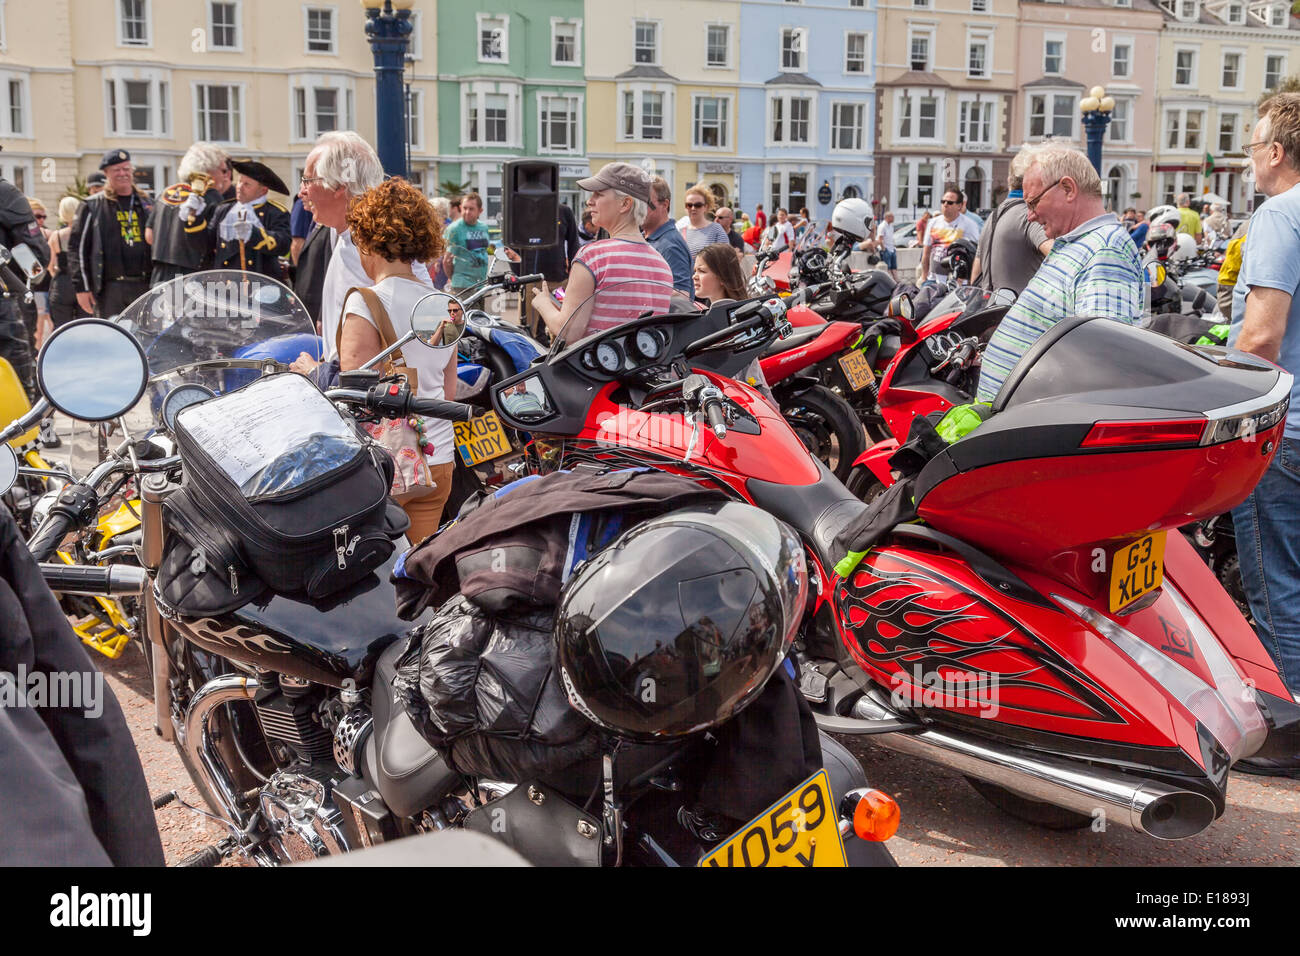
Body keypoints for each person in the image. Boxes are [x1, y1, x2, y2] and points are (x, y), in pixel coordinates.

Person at [1226, 93, 1300, 769]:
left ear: (1275, 152)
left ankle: (1286, 729)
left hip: (1288, 430)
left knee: (1276, 579)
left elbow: (1262, 335)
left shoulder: (1281, 215)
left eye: (1252, 148)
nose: (1249, 161)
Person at [975, 146, 1143, 404]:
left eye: (1033, 203)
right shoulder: (1082, 244)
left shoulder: (1106, 249)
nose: (1030, 216)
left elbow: (1102, 360)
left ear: (1067, 189)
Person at [336, 178, 454, 541]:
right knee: (418, 568)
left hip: (390, 466)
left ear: (370, 241)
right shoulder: (442, 304)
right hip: (439, 459)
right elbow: (448, 391)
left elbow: (356, 396)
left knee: (385, 577)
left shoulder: (365, 302)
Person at [291, 131, 431, 365]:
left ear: (338, 186)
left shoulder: (372, 245)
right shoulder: (342, 232)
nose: (301, 192)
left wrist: (316, 372)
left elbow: (413, 333)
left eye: (307, 181)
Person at [529, 162, 671, 343]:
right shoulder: (662, 264)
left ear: (625, 203)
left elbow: (567, 333)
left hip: (595, 369)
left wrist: (543, 304)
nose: (590, 201)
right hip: (645, 370)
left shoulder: (593, 256)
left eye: (599, 194)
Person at [69, 149, 151, 319]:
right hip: (110, 288)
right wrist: (82, 288)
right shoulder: (92, 205)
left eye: (126, 169)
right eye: (116, 170)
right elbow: (77, 249)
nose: (123, 174)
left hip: (145, 285)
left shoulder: (147, 204)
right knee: (112, 337)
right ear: (106, 173)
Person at [969, 145, 1054, 294]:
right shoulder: (1029, 217)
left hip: (989, 308)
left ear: (1009, 181)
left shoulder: (992, 217)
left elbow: (976, 272)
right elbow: (1059, 256)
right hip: (1021, 311)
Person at [145, 141, 229, 286]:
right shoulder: (210, 196)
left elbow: (149, 236)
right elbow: (218, 242)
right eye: (223, 170)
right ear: (209, 171)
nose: (226, 176)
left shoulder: (165, 193)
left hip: (159, 275)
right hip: (195, 277)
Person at [0, 173, 47, 400]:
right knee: (16, 388)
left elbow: (34, 264)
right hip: (6, 307)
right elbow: (36, 259)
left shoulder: (6, 194)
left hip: (7, 301)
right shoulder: (6, 194)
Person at [209, 160, 292, 281]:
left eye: (247, 184)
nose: (239, 187)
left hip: (261, 285)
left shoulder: (276, 212)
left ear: (263, 190)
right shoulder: (223, 210)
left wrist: (253, 234)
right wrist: (193, 218)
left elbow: (284, 244)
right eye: (239, 182)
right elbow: (205, 243)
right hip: (225, 284)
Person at [508, 200, 580, 336]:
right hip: (531, 285)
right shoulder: (522, 212)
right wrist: (519, 278)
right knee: (528, 332)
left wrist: (573, 274)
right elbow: (511, 249)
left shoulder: (564, 212)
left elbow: (573, 244)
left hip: (559, 284)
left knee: (563, 329)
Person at [643, 175, 693, 299]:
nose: (638, 208)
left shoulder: (670, 244)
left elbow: (682, 296)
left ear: (665, 204)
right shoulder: (648, 237)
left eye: (645, 202)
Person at [920, 187, 981, 285]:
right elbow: (926, 253)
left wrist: (971, 282)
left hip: (958, 283)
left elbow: (975, 255)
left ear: (959, 206)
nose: (945, 205)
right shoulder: (933, 223)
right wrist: (924, 277)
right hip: (933, 281)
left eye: (950, 202)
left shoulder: (970, 225)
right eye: (943, 201)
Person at [47, 196, 90, 331]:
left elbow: (49, 263)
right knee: (86, 325)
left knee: (61, 328)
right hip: (83, 283)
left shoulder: (56, 235)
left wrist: (56, 274)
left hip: (62, 283)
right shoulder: (86, 234)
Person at [442, 191, 489, 294]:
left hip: (481, 285)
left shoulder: (483, 227)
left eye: (471, 209)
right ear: (460, 208)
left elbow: (484, 251)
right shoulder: (454, 229)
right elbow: (446, 261)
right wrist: (455, 280)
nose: (467, 212)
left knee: (479, 311)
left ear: (480, 211)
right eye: (464, 208)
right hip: (462, 286)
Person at [680, 185, 730, 261]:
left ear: (705, 207)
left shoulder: (716, 229)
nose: (693, 208)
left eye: (698, 205)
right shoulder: (680, 231)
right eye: (689, 205)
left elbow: (726, 258)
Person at [872, 211, 898, 280]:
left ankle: (896, 282)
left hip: (892, 249)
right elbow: (880, 239)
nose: (893, 218)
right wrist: (884, 249)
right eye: (892, 217)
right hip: (886, 249)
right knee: (888, 268)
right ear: (887, 217)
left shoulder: (891, 226)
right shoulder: (882, 226)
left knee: (894, 267)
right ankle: (890, 282)